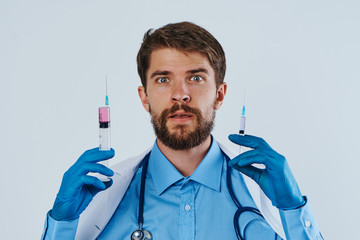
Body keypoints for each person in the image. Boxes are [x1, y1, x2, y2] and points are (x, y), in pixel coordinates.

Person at [42, 22, 323, 239]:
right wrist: (62, 224)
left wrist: (293, 208)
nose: (180, 94)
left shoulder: (262, 197)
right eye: (163, 79)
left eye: (196, 78)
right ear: (144, 97)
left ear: (220, 94)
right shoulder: (103, 196)